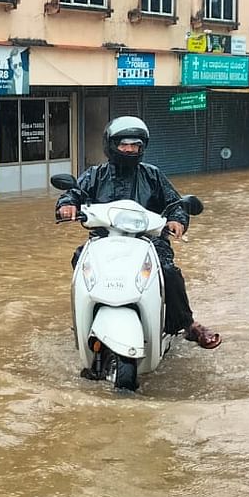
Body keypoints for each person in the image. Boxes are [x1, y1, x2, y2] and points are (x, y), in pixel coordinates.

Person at [56, 116, 221, 349]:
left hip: (149, 240)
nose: (130, 149)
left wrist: (177, 219)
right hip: (104, 240)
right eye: (124, 145)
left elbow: (175, 203)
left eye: (136, 145)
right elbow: (73, 193)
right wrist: (67, 205)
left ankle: (188, 325)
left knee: (168, 271)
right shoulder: (94, 175)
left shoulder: (152, 175)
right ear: (111, 146)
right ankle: (83, 319)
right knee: (79, 259)